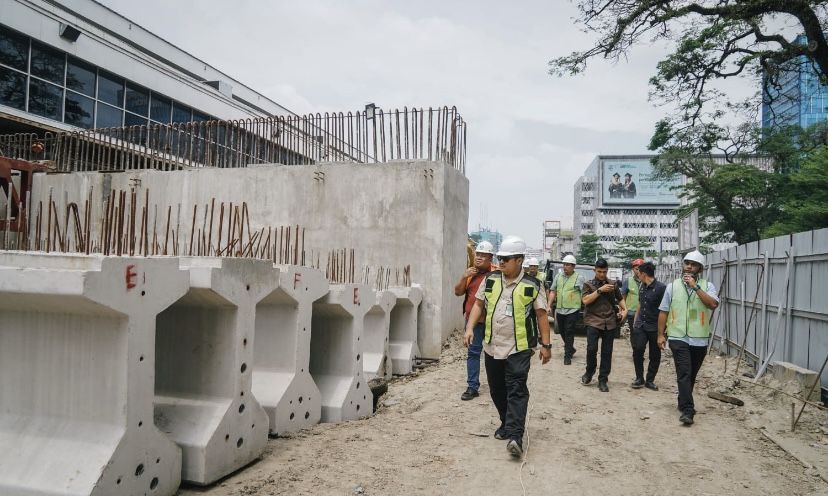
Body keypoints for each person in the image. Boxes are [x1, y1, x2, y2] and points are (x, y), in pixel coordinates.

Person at [464, 235, 552, 458]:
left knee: (517, 389)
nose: (501, 262)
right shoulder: (492, 279)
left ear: (520, 260)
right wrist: (469, 328)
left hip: (519, 348)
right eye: (500, 258)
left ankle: (515, 436)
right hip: (492, 345)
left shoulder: (533, 285)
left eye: (507, 259)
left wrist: (546, 345)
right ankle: (506, 422)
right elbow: (478, 304)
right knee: (496, 389)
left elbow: (542, 315)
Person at [658, 250, 719, 425]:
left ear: (699, 269)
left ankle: (682, 400)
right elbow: (663, 311)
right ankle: (688, 410)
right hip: (677, 337)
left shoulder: (708, 286)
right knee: (684, 372)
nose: (689, 267)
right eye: (687, 263)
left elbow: (712, 304)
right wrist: (660, 335)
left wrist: (695, 287)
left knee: (691, 374)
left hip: (699, 338)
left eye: (693, 264)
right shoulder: (672, 286)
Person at [454, 240, 495, 401]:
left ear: (490, 258)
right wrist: (464, 277)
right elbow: (458, 292)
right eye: (478, 254)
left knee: (495, 354)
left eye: (483, 255)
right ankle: (472, 387)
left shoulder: (496, 275)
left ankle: (497, 385)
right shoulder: (470, 274)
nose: (479, 258)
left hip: (491, 322)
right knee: (473, 353)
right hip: (473, 323)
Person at [581, 258, 627, 392]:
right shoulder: (588, 284)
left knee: (607, 353)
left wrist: (624, 310)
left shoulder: (613, 284)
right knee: (591, 349)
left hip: (610, 322)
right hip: (593, 321)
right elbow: (585, 301)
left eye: (604, 272)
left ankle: (603, 380)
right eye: (599, 271)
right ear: (594, 270)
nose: (602, 274)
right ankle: (589, 372)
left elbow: (620, 299)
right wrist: (599, 290)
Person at [630, 262, 666, 390]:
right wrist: (635, 322)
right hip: (641, 326)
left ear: (644, 274)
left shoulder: (661, 288)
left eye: (639, 273)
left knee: (655, 355)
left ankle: (650, 380)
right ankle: (639, 378)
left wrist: (663, 331)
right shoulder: (642, 286)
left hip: (655, 327)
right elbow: (639, 304)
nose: (637, 275)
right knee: (638, 350)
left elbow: (665, 309)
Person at [548, 254, 585, 365]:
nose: (565, 266)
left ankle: (567, 355)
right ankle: (571, 348)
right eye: (564, 264)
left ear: (573, 266)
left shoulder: (579, 278)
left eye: (568, 265)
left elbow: (584, 293)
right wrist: (549, 305)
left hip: (573, 309)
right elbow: (553, 291)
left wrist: (587, 305)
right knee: (562, 331)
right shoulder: (558, 277)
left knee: (569, 331)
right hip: (560, 309)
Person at [622, 259, 644, 335]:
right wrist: (623, 311)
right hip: (631, 312)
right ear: (633, 269)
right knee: (633, 333)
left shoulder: (646, 281)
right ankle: (635, 346)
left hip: (643, 313)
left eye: (640, 269)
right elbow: (623, 298)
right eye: (636, 269)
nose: (638, 271)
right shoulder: (628, 281)